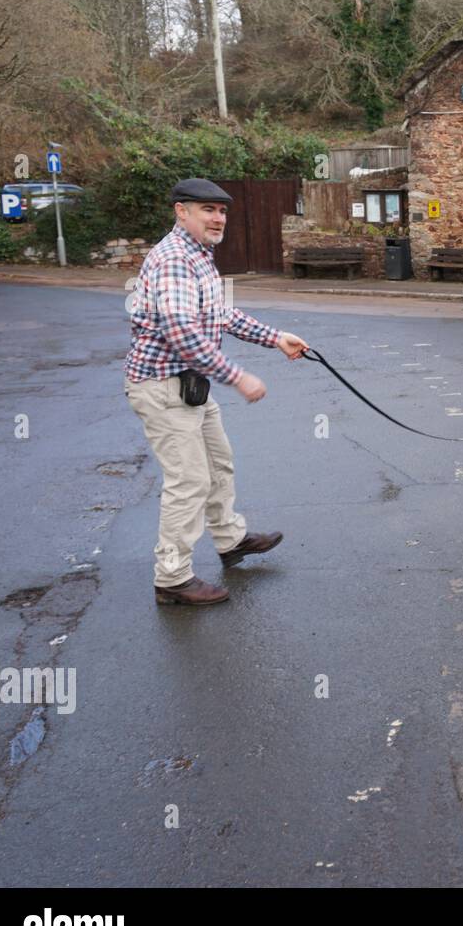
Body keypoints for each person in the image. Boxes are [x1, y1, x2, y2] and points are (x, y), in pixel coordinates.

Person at [123, 178, 309, 606]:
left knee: (219, 464)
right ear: (180, 211)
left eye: (222, 210)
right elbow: (181, 332)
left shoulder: (200, 257)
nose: (218, 218)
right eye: (207, 209)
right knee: (188, 480)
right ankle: (172, 578)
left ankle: (231, 541)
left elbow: (220, 315)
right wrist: (237, 376)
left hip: (190, 388)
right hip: (162, 387)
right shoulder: (173, 259)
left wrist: (275, 337)